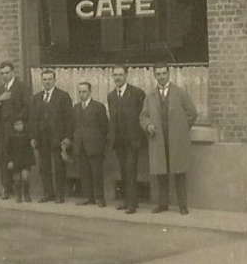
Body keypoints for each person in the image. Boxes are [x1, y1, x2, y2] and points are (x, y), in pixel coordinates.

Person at [141, 64, 198, 215]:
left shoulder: (180, 93)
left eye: (164, 73)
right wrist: (148, 126)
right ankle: (163, 204)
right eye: (158, 74)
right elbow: (143, 116)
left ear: (169, 74)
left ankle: (182, 205)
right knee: (161, 173)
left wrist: (182, 129)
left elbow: (192, 113)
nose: (161, 76)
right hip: (159, 140)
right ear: (154, 76)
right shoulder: (150, 96)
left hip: (176, 140)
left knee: (179, 173)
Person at [28, 67, 73, 204]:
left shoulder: (63, 96)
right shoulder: (36, 98)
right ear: (41, 81)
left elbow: (69, 118)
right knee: (44, 167)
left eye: (50, 79)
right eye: (45, 79)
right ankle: (48, 193)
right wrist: (33, 137)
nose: (47, 82)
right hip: (42, 139)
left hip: (57, 138)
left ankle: (60, 195)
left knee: (59, 168)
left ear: (55, 80)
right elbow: (33, 119)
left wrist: (67, 137)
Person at [107, 64, 147, 214]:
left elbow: (143, 116)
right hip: (119, 141)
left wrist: (140, 139)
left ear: (126, 75)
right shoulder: (111, 96)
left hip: (133, 141)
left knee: (131, 170)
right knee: (123, 171)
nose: (117, 77)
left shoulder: (136, 93)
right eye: (115, 75)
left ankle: (132, 203)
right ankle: (127, 201)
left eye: (120, 74)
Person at [0, 60, 28, 199]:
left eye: (7, 72)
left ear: (13, 72)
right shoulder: (1, 88)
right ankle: (6, 187)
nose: (5, 75)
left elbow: (27, 107)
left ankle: (20, 189)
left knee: (17, 158)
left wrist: (18, 121)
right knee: (3, 157)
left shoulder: (21, 87)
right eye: (2, 73)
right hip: (2, 129)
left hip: (16, 129)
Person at [71, 80, 109, 206]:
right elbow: (74, 126)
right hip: (80, 146)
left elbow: (104, 127)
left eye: (84, 91)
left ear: (90, 92)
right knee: (84, 172)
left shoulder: (98, 107)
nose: (82, 94)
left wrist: (100, 144)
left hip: (95, 146)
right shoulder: (76, 107)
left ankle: (99, 198)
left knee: (96, 173)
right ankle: (88, 197)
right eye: (80, 92)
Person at [5, 116, 35, 203]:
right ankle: (18, 195)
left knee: (25, 177)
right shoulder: (11, 137)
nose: (19, 126)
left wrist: (32, 140)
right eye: (17, 124)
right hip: (15, 160)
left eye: (21, 124)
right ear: (13, 126)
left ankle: (26, 194)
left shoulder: (27, 135)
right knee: (17, 178)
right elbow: (8, 150)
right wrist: (9, 161)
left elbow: (31, 145)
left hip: (25, 160)